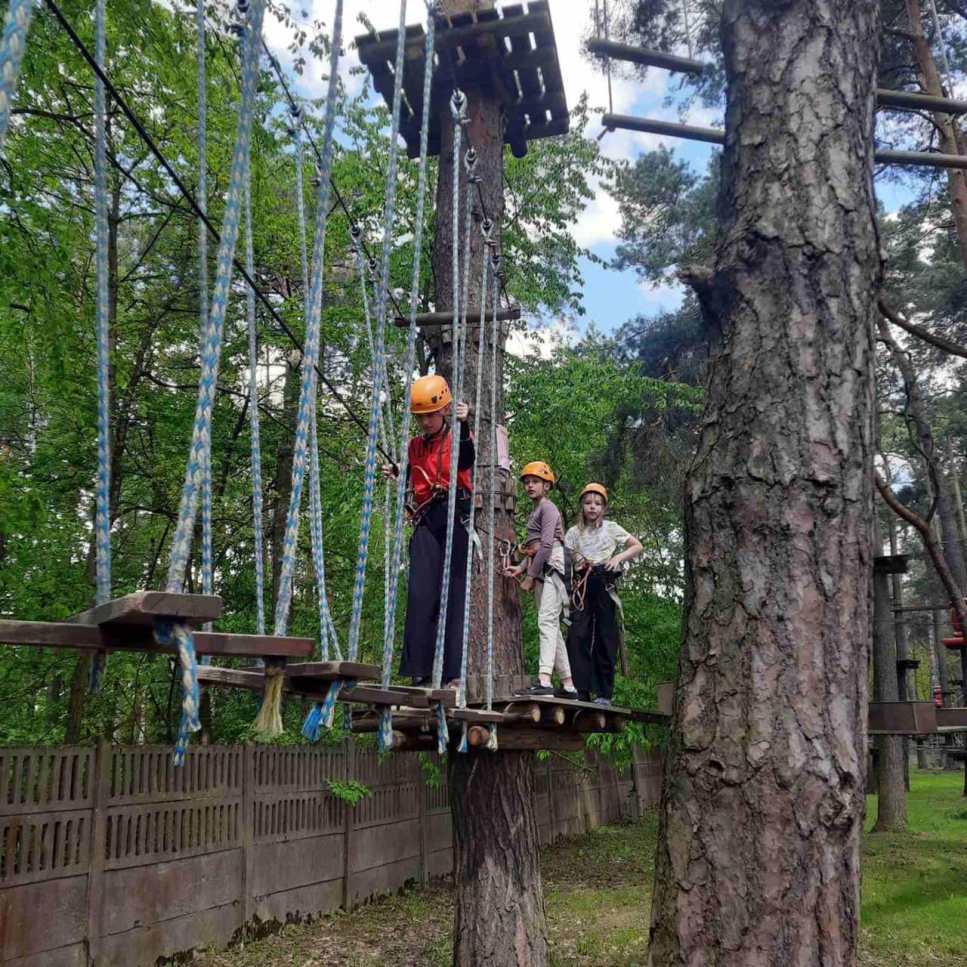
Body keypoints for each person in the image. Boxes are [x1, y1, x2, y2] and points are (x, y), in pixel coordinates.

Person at [383, 375, 473, 688]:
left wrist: (463, 425)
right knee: (421, 595)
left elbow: (467, 458)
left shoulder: (457, 438)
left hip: (453, 517)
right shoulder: (414, 447)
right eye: (420, 417)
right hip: (425, 521)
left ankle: (452, 675)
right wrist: (397, 472)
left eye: (430, 415)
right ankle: (419, 671)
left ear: (444, 411)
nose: (425, 422)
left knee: (453, 597)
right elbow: (408, 472)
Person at [502, 462, 577, 699]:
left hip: (553, 563)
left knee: (546, 620)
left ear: (547, 485)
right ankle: (568, 685)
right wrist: (522, 568)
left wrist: (530, 577)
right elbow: (536, 549)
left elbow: (547, 545)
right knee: (550, 624)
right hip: (543, 563)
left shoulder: (549, 508)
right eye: (526, 482)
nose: (529, 486)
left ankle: (544, 681)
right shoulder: (534, 511)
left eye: (535, 482)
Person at [564, 484, 643, 706]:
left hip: (604, 580)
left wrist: (618, 558)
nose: (592, 507)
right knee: (578, 634)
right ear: (582, 506)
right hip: (581, 583)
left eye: (597, 504)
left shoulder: (611, 528)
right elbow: (567, 560)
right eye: (588, 503)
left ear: (604, 508)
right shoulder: (573, 533)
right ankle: (579, 690)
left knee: (605, 636)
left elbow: (637, 546)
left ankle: (603, 693)